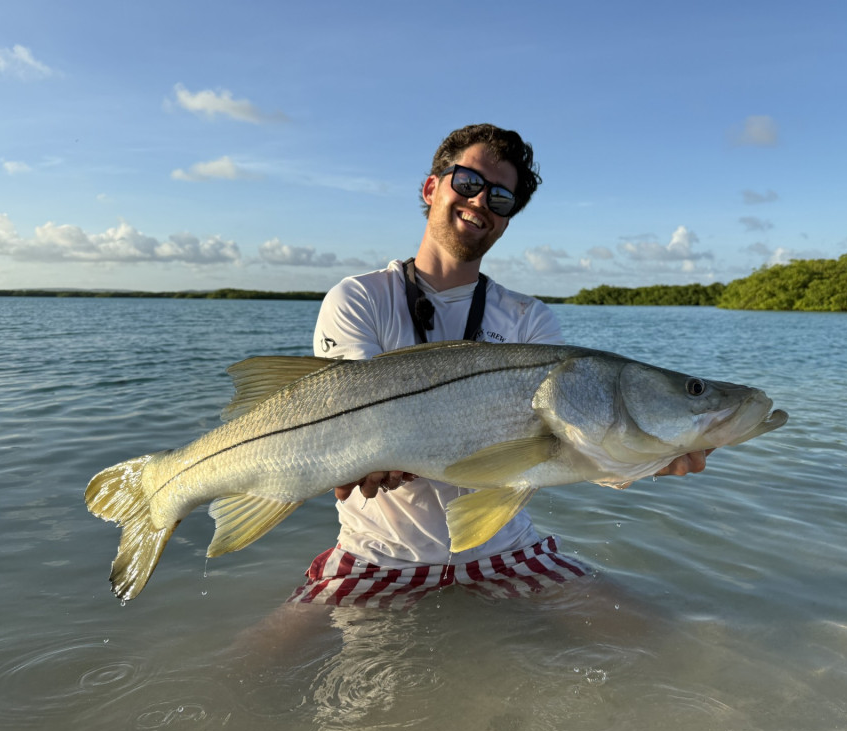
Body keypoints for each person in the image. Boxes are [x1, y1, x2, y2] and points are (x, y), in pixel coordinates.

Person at [286, 123, 708, 611]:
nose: (482, 201)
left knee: (653, 636)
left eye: (502, 198)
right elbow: (351, 417)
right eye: (468, 182)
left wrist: (651, 456)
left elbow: (572, 447)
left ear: (507, 220)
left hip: (507, 550)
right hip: (379, 553)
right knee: (254, 663)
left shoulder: (530, 319)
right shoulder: (359, 297)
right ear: (431, 187)